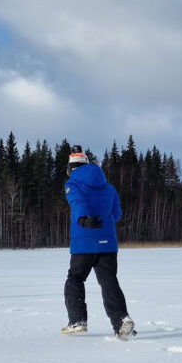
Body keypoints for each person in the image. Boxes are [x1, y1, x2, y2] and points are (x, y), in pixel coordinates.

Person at [62, 145, 134, 339]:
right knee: (109, 281)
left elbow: (77, 202)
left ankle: (77, 321)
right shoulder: (109, 188)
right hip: (108, 244)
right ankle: (122, 321)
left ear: (71, 168)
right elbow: (116, 214)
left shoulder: (72, 183)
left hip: (83, 244)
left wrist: (83, 219)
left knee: (75, 279)